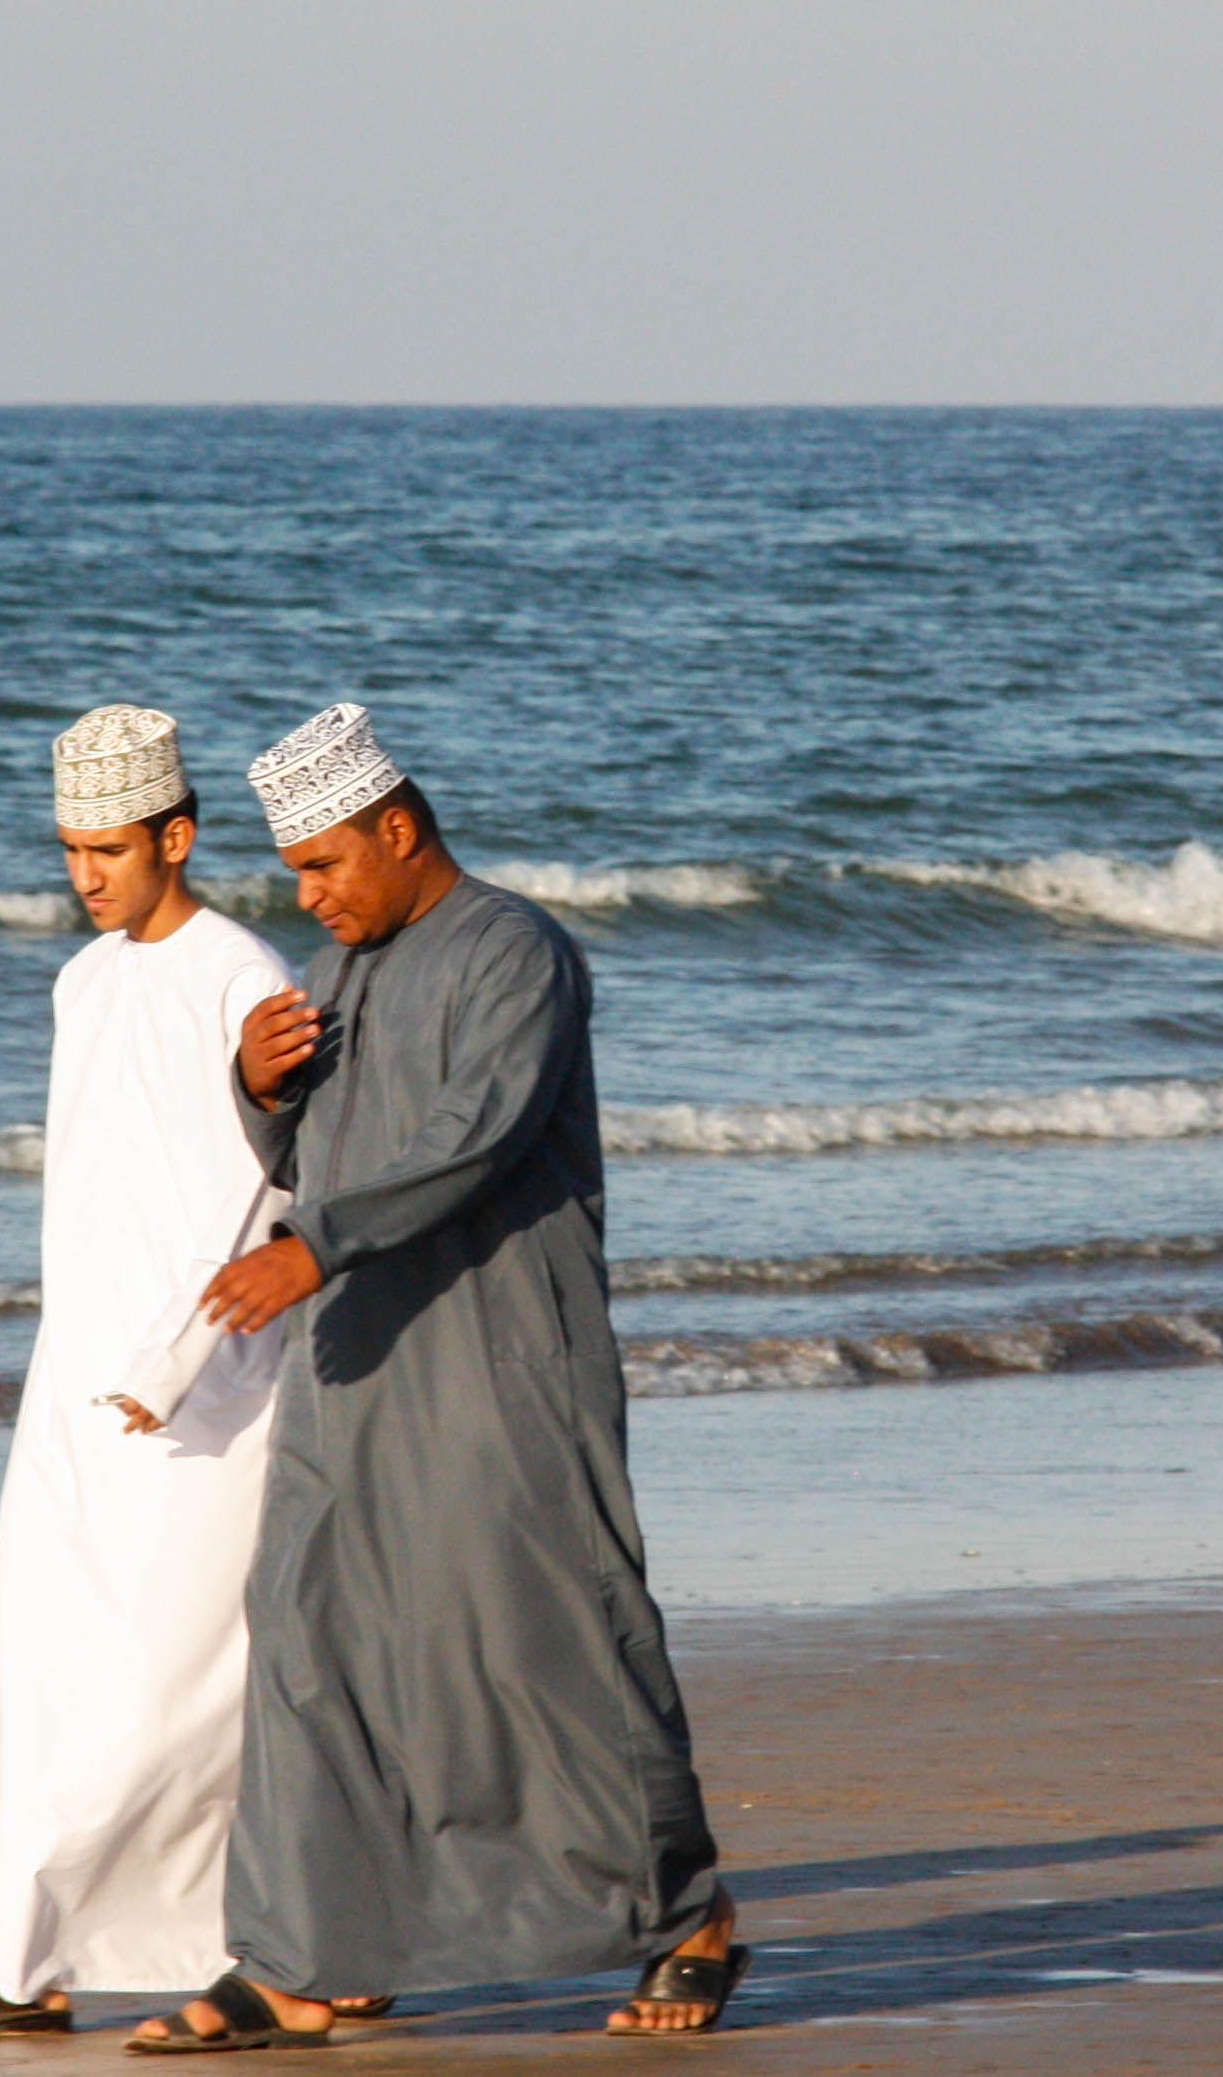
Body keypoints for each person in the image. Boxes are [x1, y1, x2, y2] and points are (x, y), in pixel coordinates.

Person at [131, 704, 743, 2055]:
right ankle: (306, 1953)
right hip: (355, 1359)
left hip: (499, 1355)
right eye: (294, 874)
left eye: (323, 867)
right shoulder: (344, 972)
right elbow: (310, 1151)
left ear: (394, 830)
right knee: (309, 1637)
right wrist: (256, 1083)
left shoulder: (514, 951)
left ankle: (684, 1911)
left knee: (553, 1644)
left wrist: (312, 1248)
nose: (308, 898)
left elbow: (473, 1137)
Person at [0, 707, 320, 2043]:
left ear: (175, 836)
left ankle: (258, 1947)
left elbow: (276, 1186)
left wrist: (176, 1355)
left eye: (108, 849)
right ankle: (14, 1960)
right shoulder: (81, 980)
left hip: (207, 1389)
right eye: (69, 848)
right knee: (47, 1679)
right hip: (72, 1382)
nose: (85, 874)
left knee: (171, 1687)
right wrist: (77, 1363)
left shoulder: (245, 973)